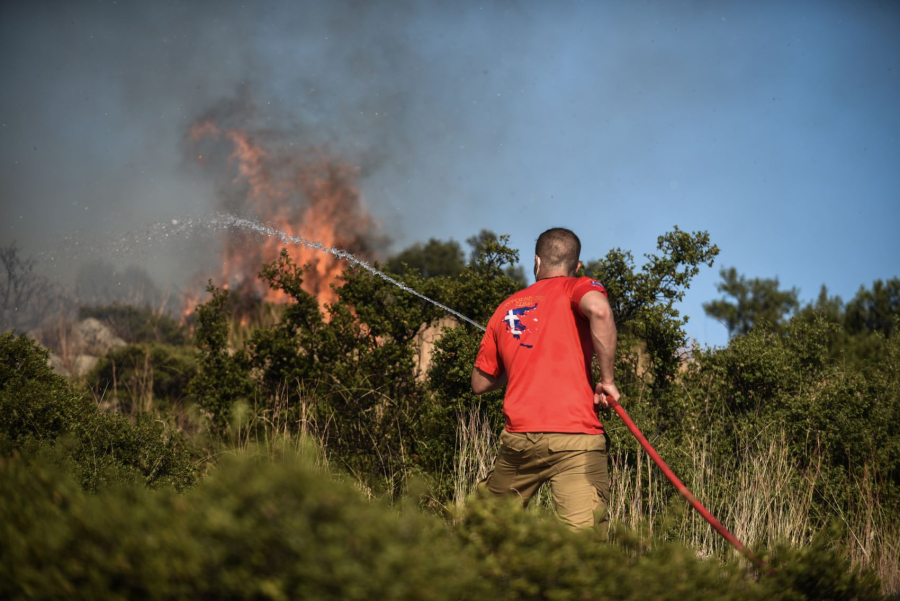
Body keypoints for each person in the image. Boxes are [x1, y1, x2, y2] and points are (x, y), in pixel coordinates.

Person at [471, 227, 620, 535]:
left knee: (485, 531)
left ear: (536, 262)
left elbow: (480, 384)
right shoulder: (577, 287)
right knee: (583, 548)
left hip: (519, 441)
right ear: (576, 267)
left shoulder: (505, 308)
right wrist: (607, 381)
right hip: (576, 438)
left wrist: (517, 363)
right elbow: (601, 312)